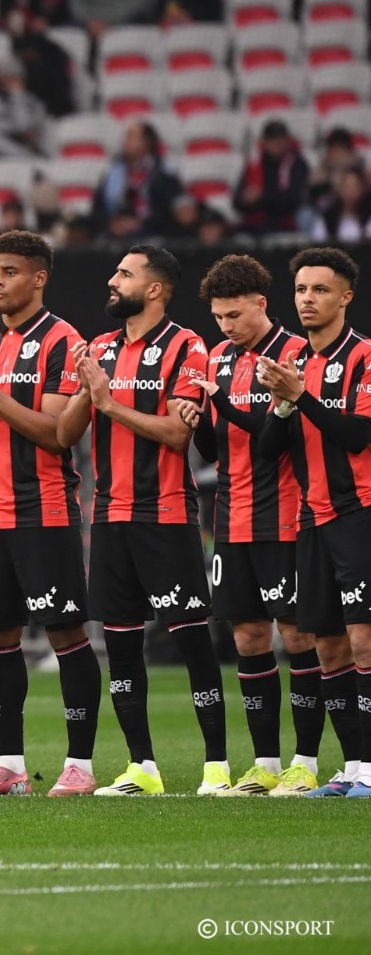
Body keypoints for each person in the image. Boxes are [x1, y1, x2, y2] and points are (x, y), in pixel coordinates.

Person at [56, 245, 230, 796]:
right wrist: (88, 392)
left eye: (124, 275)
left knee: (191, 641)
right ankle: (141, 768)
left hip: (167, 512)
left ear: (154, 290)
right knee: (121, 642)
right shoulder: (99, 348)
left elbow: (180, 436)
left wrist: (109, 405)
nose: (112, 281)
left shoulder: (187, 347)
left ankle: (217, 768)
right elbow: (64, 435)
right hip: (110, 515)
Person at [0, 232, 102, 796]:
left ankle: (79, 763)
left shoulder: (64, 342)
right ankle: (8, 765)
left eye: (9, 272)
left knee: (64, 634)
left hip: (45, 511)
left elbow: (58, 435)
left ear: (38, 278)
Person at [174, 255, 321, 796]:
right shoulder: (215, 359)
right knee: (248, 635)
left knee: (298, 633)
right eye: (218, 317)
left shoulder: (294, 354)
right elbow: (216, 447)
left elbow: (273, 439)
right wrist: (197, 424)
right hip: (231, 518)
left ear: (262, 303)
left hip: (286, 515)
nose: (226, 326)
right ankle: (264, 763)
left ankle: (305, 763)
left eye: (235, 315)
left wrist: (225, 407)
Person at [255, 247, 371, 797]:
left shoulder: (365, 357)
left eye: (320, 290)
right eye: (301, 290)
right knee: (328, 647)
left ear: (345, 297)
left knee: (365, 640)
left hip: (360, 513)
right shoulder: (292, 362)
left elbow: (356, 435)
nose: (307, 299)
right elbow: (265, 450)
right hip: (312, 517)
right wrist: (281, 403)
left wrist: (299, 395)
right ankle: (351, 769)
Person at [89, 121, 183, 240]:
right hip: (116, 234)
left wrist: (140, 223)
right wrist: (112, 224)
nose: (125, 142)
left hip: (153, 233)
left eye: (131, 137)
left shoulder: (163, 173)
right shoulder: (113, 173)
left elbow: (169, 211)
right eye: (126, 137)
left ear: (147, 142)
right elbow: (97, 210)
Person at [235, 120, 311, 236]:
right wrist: (247, 200)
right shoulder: (254, 165)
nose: (277, 143)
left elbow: (294, 199)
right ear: (264, 142)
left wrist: (261, 196)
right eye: (273, 139)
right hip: (255, 225)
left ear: (288, 141)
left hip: (285, 225)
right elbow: (237, 201)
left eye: (281, 138)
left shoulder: (297, 164)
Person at [0, 59, 50, 159]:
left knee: (49, 127)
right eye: (6, 77)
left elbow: (25, 126)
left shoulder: (34, 102)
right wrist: (12, 129)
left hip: (27, 142)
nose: (9, 81)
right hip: (1, 145)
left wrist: (17, 97)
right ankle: (25, 157)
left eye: (14, 77)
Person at [314, 166, 371, 243]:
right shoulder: (328, 217)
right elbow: (318, 243)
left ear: (362, 189)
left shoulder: (368, 216)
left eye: (355, 186)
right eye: (347, 186)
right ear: (339, 188)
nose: (350, 191)